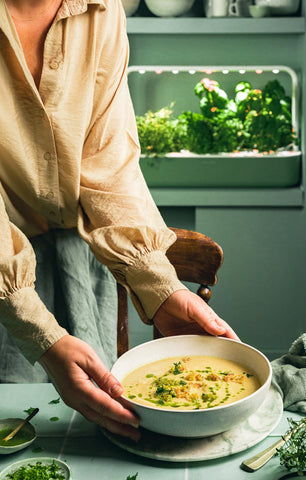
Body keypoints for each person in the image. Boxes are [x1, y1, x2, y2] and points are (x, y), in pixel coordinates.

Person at [0, 0, 239, 442]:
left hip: (78, 263)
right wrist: (42, 333)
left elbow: (108, 166)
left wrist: (160, 288)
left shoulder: (102, 10)